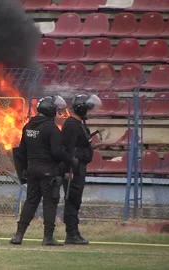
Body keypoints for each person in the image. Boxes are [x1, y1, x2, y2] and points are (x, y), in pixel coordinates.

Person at [10, 95, 78, 246]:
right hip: (48, 171)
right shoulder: (51, 128)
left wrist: (24, 171)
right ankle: (48, 237)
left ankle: (18, 235)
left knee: (31, 202)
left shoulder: (28, 127)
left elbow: (22, 151)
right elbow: (57, 152)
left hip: (32, 170)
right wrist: (71, 160)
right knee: (50, 202)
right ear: (51, 111)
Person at [61, 94, 102, 245]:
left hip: (79, 167)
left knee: (76, 201)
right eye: (89, 110)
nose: (90, 113)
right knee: (72, 200)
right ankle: (71, 234)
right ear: (82, 109)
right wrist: (67, 170)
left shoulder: (79, 124)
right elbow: (67, 149)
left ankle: (74, 232)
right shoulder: (71, 124)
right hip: (73, 169)